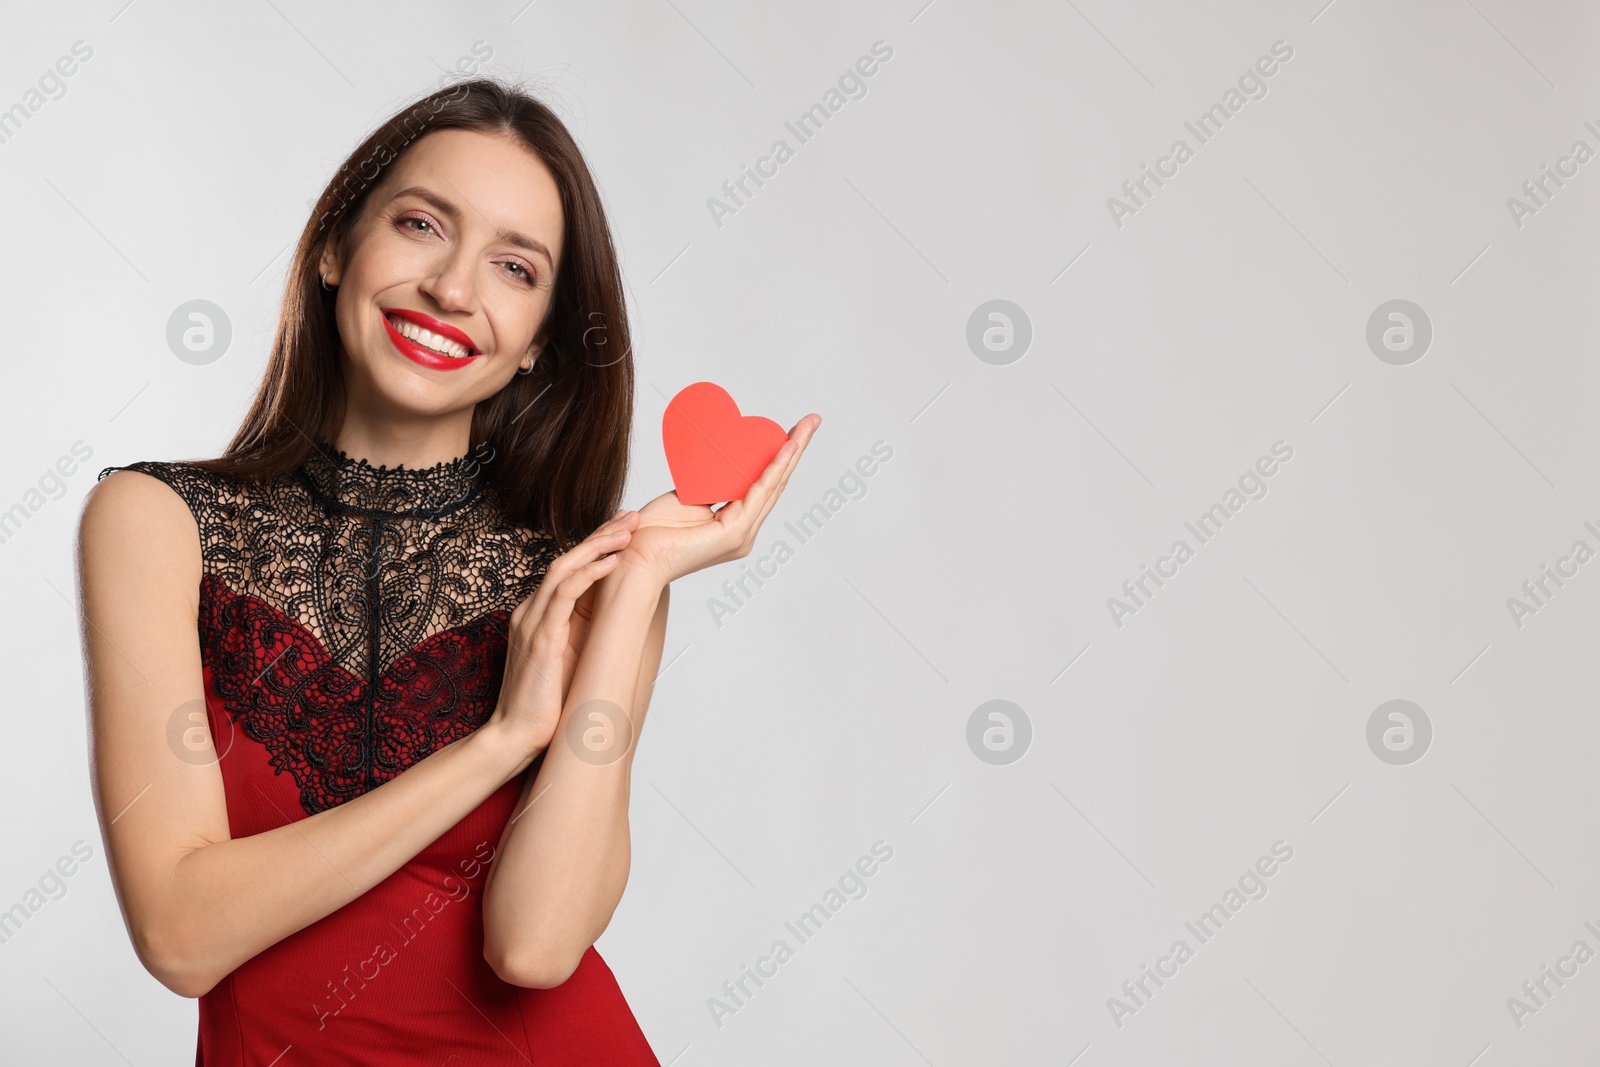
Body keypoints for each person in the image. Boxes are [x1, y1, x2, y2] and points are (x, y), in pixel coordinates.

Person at [76, 77, 820, 1065]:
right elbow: (181, 934)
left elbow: (535, 941)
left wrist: (640, 582)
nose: (454, 289)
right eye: (423, 223)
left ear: (536, 346)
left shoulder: (588, 579)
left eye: (514, 267)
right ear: (336, 246)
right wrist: (498, 740)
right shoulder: (155, 522)